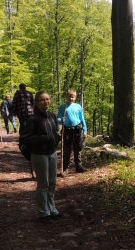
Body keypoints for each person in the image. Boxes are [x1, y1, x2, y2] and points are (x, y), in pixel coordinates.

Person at [19, 91, 65, 223]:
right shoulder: (32, 118)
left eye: (48, 99)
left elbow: (55, 132)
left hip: (52, 153)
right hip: (39, 155)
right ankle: (43, 212)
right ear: (37, 102)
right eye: (42, 100)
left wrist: (56, 139)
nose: (46, 102)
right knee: (43, 184)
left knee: (52, 183)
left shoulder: (52, 116)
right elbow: (25, 138)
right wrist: (41, 139)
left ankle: (52, 209)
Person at [56, 88, 87, 174]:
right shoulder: (63, 107)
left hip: (77, 129)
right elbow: (58, 118)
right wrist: (60, 120)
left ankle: (79, 166)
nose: (71, 98)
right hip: (67, 129)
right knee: (67, 149)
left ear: (75, 97)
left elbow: (82, 118)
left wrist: (85, 130)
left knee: (78, 148)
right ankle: (65, 168)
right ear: (66, 97)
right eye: (69, 97)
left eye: (73, 97)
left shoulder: (78, 106)